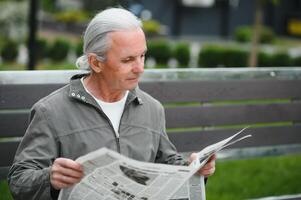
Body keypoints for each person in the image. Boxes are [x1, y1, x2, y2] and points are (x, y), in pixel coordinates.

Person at [8, 7, 216, 199]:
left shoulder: (152, 108)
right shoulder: (50, 111)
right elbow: (19, 181)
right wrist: (49, 178)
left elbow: (168, 163)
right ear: (96, 63)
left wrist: (193, 168)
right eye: (128, 60)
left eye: (142, 56)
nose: (140, 68)